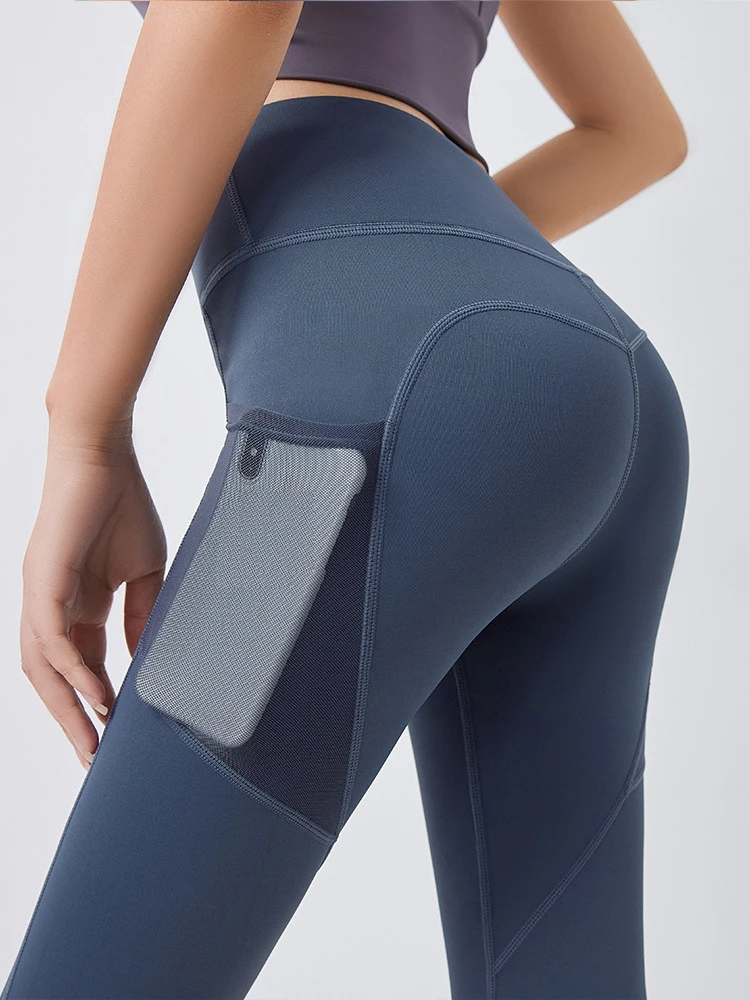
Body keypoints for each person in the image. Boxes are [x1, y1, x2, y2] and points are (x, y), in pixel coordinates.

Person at [2, 2, 690, 998]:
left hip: (353, 427)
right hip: (608, 387)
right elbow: (639, 131)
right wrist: (460, 271)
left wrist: (86, 427)